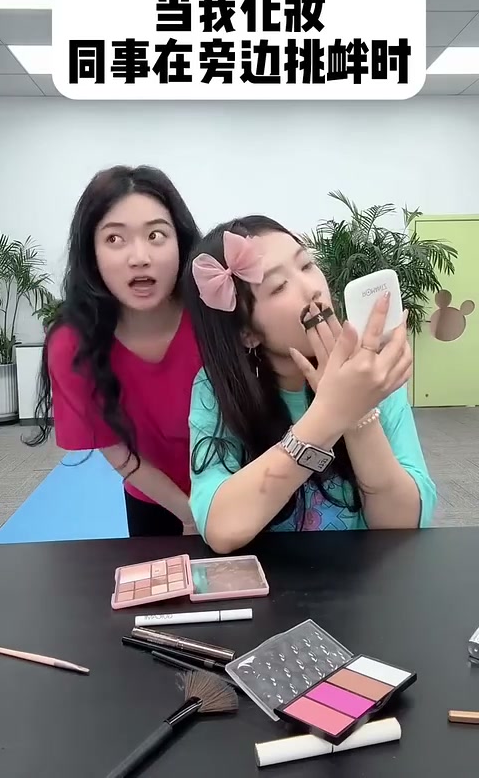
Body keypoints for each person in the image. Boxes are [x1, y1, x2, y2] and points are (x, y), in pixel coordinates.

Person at [183, 215, 437, 554]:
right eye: (278, 287)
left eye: (306, 265)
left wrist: (359, 414)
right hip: (270, 582)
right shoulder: (216, 389)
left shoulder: (372, 372)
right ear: (247, 333)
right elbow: (221, 528)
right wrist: (331, 412)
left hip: (363, 578)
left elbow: (401, 523)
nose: (311, 288)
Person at [28, 165, 202, 537]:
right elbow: (116, 450)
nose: (139, 257)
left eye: (156, 235)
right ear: (92, 254)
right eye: (114, 239)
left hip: (243, 488)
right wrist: (189, 514)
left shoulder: (215, 316)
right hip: (154, 497)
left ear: (181, 241)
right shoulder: (72, 343)